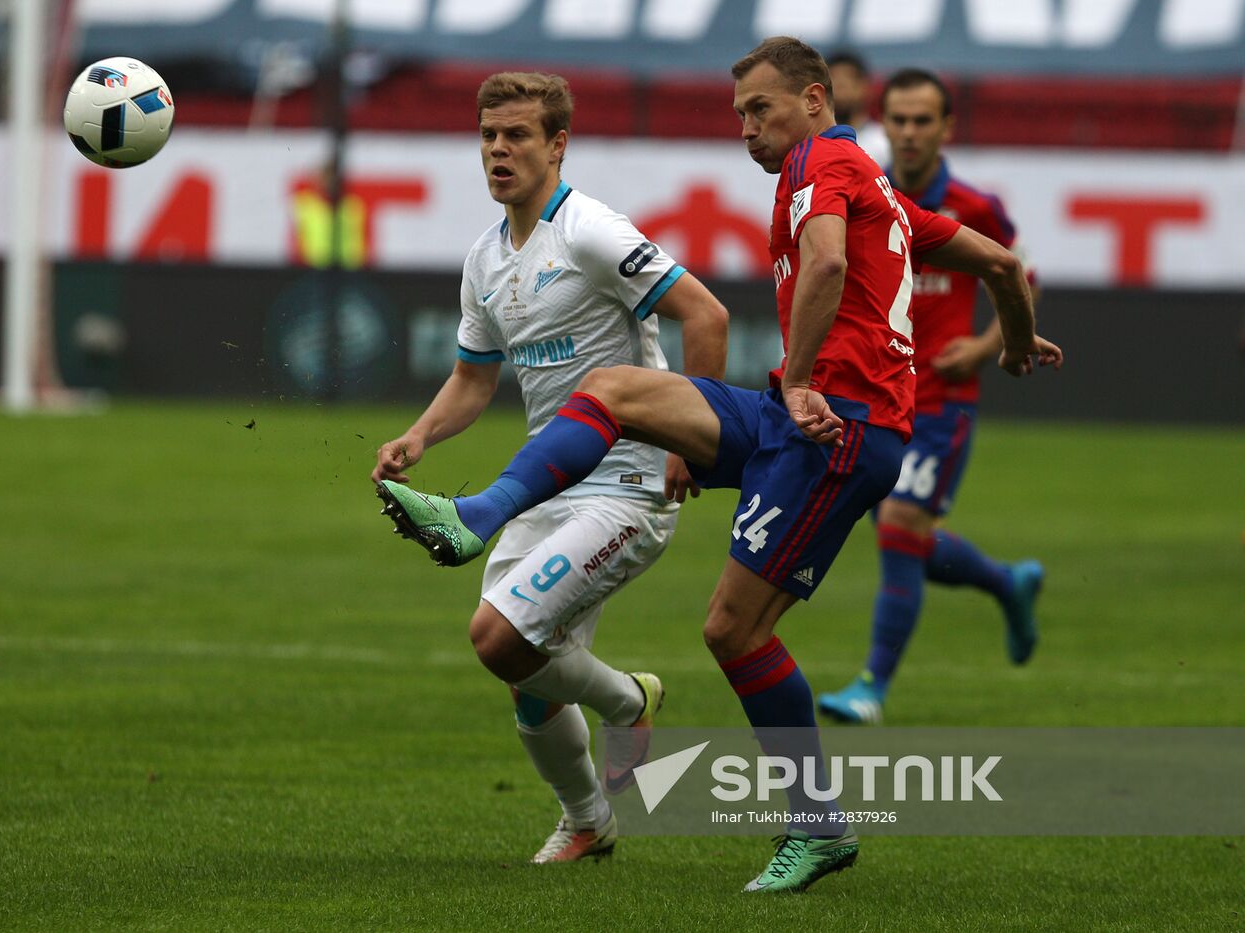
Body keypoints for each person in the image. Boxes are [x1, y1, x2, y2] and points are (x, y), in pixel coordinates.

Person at [376, 38, 1062, 893]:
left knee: (732, 630)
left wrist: (806, 375)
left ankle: (816, 827)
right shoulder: (873, 185)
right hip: (795, 414)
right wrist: (1019, 341)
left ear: (815, 100)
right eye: (738, 113)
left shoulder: (822, 161)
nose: (746, 128)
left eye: (760, 109)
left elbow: (827, 261)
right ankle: (477, 514)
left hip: (839, 426)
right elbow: (998, 260)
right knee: (619, 387)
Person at [370, 72, 729, 865]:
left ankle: (629, 701)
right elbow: (473, 376)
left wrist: (688, 440)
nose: (499, 150)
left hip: (629, 484)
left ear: (557, 144)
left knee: (498, 636)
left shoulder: (593, 232)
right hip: (550, 480)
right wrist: (419, 438)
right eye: (489, 135)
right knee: (526, 675)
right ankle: (589, 819)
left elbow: (706, 313)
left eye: (518, 135)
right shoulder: (486, 257)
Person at [819, 68, 1046, 726]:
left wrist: (982, 349)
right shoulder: (866, 194)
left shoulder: (977, 207)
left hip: (943, 400)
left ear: (947, 127)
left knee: (900, 529)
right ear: (882, 124)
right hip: (877, 399)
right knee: (910, 539)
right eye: (900, 120)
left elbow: (1022, 282)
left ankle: (871, 686)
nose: (910, 133)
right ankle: (1007, 582)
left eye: (924, 121)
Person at [827, 50, 890, 167]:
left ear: (866, 86)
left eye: (848, 79)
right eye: (834, 80)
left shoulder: (885, 141)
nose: (841, 87)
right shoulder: (810, 144)